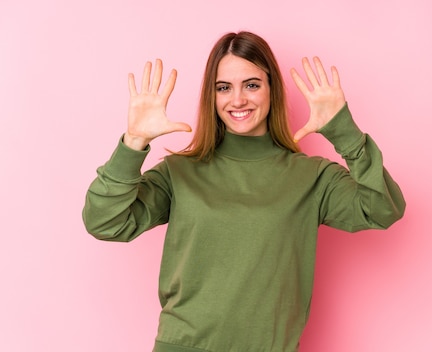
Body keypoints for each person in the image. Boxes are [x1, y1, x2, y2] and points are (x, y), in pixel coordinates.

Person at [83, 31, 405, 352]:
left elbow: (382, 207)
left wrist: (344, 131)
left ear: (271, 89)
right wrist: (133, 143)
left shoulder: (312, 177)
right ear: (212, 97)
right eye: (224, 88)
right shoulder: (180, 172)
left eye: (251, 85)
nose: (237, 100)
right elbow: (104, 221)